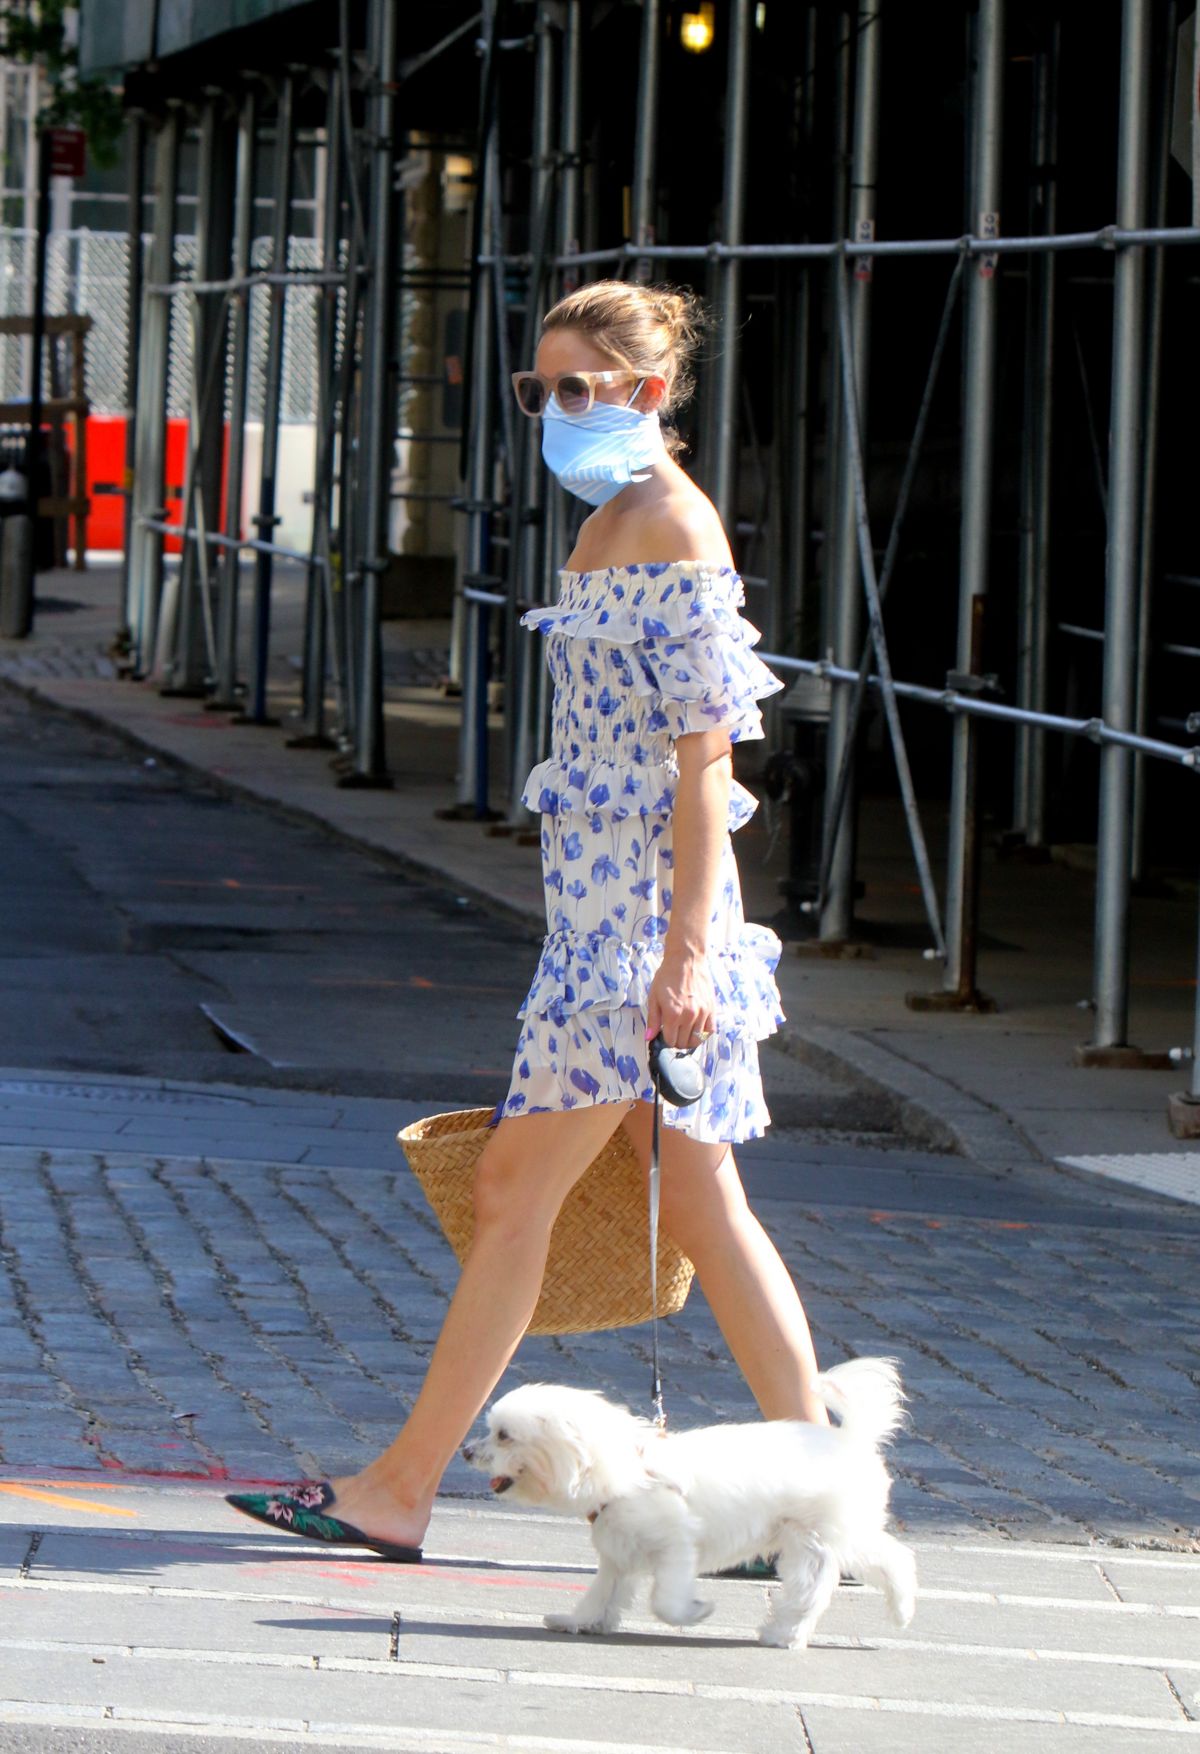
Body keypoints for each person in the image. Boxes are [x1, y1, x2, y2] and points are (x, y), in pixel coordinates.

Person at [227, 280, 827, 1559]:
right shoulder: (614, 518)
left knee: (514, 1191)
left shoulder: (670, 522)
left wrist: (680, 957)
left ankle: (398, 1487)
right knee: (708, 1207)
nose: (550, 412)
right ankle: (815, 1497)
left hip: (640, 936)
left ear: (649, 394)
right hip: (610, 921)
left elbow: (706, 758)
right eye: (535, 389)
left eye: (575, 389)